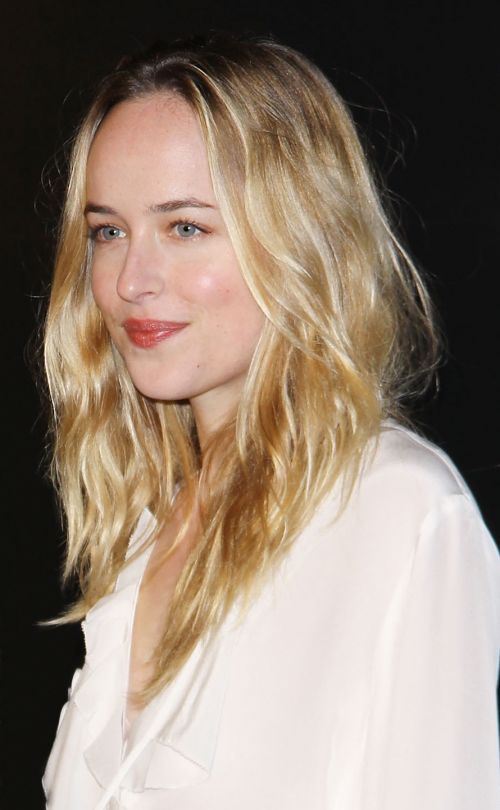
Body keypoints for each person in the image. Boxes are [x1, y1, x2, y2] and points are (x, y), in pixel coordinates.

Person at [42, 33, 500, 810]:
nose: (130, 281)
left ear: (300, 238)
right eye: (108, 231)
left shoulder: (400, 513)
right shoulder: (141, 540)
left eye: (185, 228)